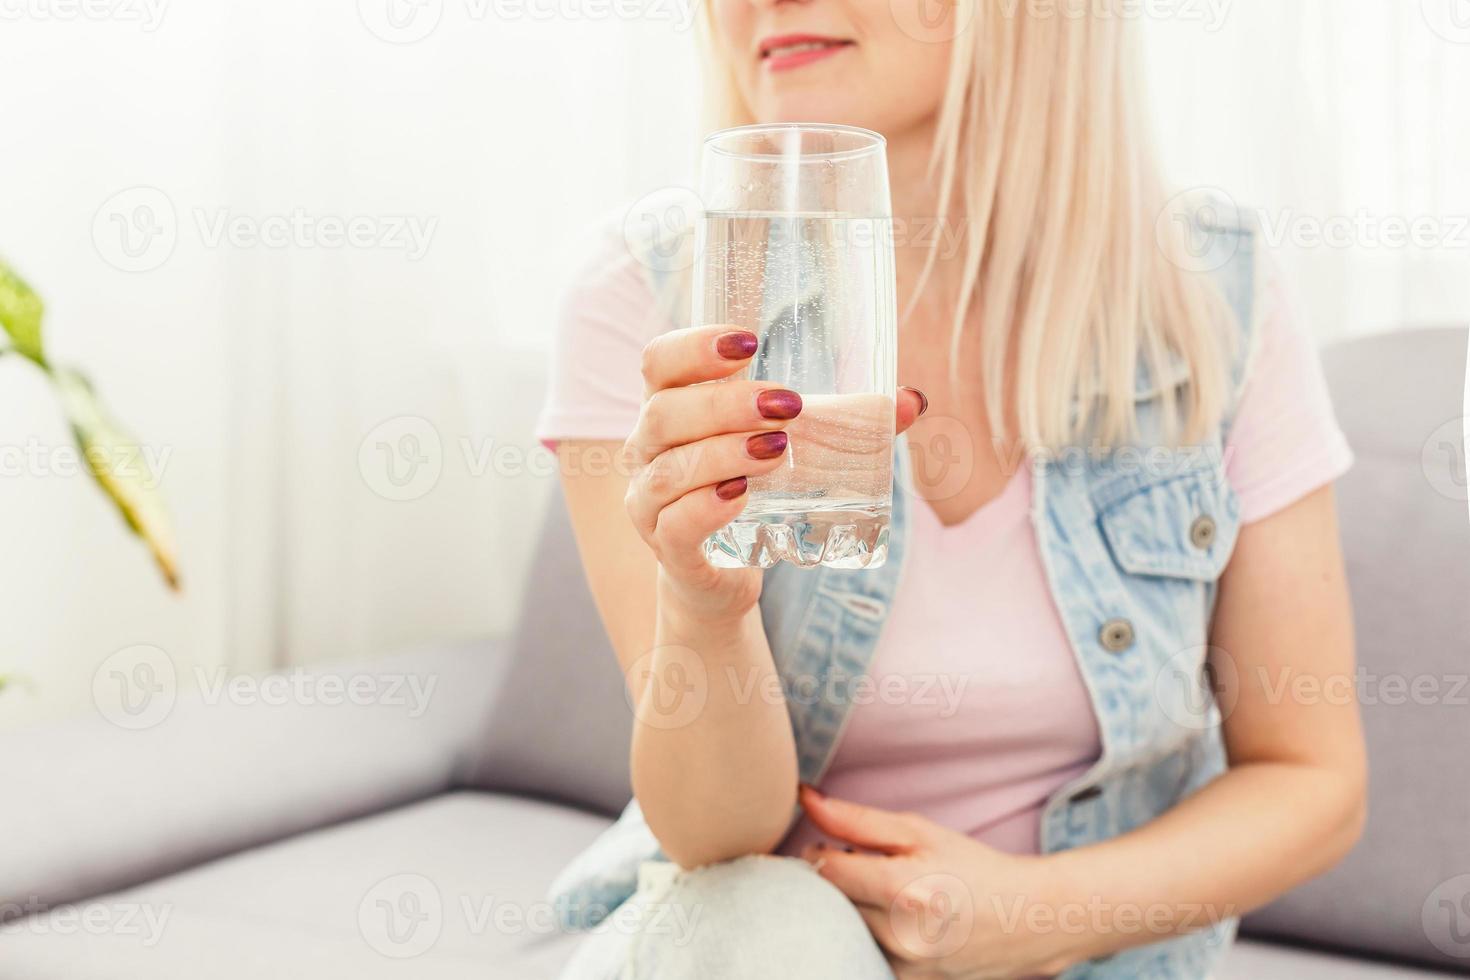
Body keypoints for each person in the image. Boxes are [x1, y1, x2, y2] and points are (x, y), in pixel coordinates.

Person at [536, 1, 1367, 976]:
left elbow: (1316, 779)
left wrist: (1036, 914)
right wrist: (706, 605)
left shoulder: (1211, 291)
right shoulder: (647, 293)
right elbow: (717, 837)